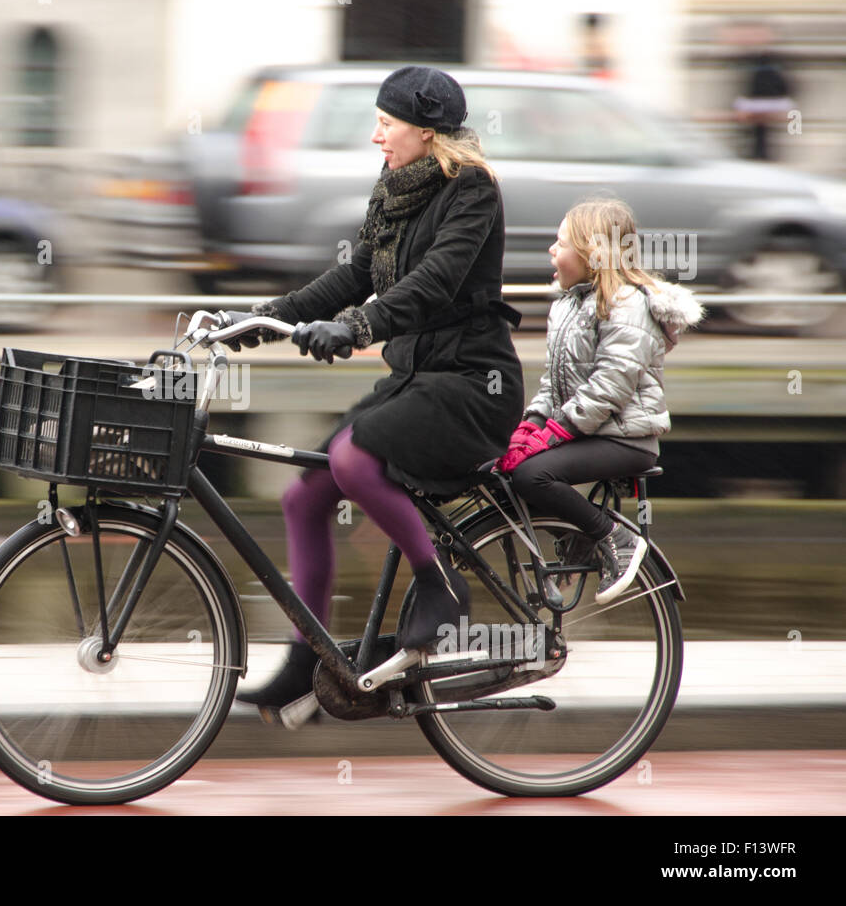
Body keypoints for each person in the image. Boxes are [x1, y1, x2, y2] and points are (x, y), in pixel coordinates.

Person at [218, 66, 525, 716]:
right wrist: (255, 320)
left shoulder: (473, 191)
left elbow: (435, 283)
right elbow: (355, 274)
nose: (375, 135)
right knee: (305, 497)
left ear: (424, 130)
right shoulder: (392, 189)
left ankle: (440, 587)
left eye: (386, 123)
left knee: (354, 458)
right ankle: (311, 660)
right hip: (414, 378)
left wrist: (358, 326)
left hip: (471, 384)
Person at [497, 198, 704, 602]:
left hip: (624, 439)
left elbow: (610, 385)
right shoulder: (567, 305)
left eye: (561, 243)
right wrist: (532, 425)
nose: (551, 251)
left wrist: (556, 432)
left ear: (593, 253)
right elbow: (551, 383)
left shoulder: (628, 305)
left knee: (531, 476)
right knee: (508, 469)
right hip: (586, 430)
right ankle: (579, 538)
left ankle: (614, 538)